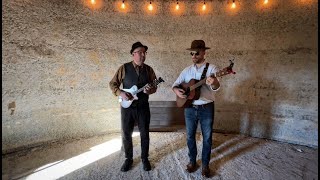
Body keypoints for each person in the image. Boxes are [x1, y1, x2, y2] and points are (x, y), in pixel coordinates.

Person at [172, 40, 220, 178]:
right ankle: (192, 161)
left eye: (197, 52)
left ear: (204, 52)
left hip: (206, 108)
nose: (193, 55)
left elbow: (216, 87)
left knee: (207, 138)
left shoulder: (212, 69)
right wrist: (177, 91)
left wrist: (215, 82)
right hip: (189, 108)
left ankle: (205, 165)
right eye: (192, 53)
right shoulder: (186, 70)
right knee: (189, 137)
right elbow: (175, 85)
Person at [109, 41, 157, 172]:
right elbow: (113, 84)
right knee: (126, 133)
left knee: (145, 133)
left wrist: (150, 90)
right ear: (133, 54)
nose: (143, 55)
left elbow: (154, 87)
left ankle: (144, 158)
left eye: (144, 52)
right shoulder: (123, 68)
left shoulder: (149, 70)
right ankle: (128, 159)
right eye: (140, 52)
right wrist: (121, 93)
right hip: (127, 107)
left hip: (143, 106)